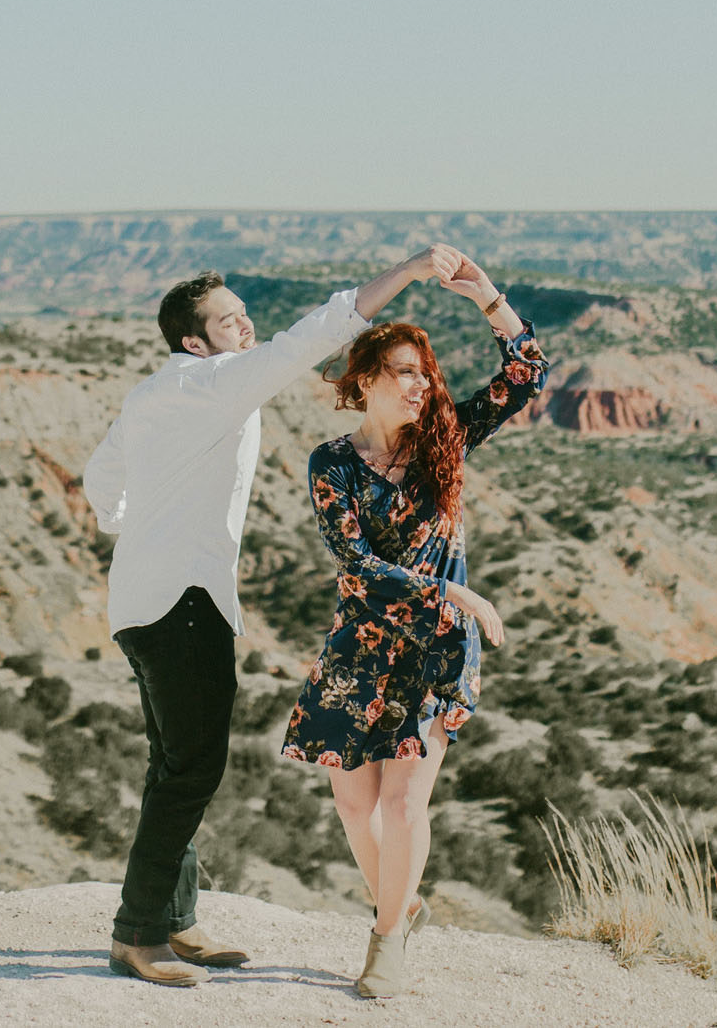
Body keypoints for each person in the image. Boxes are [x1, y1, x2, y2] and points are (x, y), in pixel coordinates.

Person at [80, 244, 461, 988]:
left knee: (173, 761)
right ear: (195, 340)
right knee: (193, 769)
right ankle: (137, 933)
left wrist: (139, 527)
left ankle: (176, 919)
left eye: (244, 312)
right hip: (185, 602)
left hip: (138, 597)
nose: (245, 325)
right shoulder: (217, 382)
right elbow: (312, 336)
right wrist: (410, 271)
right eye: (229, 319)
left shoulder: (151, 392)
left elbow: (103, 478)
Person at [278, 249, 548, 999]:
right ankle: (404, 901)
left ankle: (387, 938)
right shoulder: (331, 464)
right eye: (404, 369)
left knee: (403, 803)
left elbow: (526, 372)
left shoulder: (447, 442)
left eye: (425, 370)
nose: (421, 381)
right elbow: (355, 564)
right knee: (354, 804)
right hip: (359, 646)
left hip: (433, 654)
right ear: (364, 379)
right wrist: (457, 592)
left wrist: (487, 296)